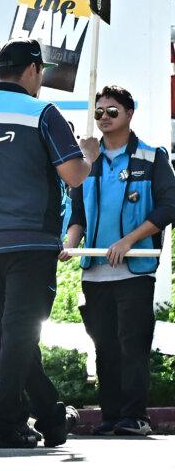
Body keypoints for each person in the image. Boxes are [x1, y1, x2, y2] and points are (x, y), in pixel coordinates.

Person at [0, 38, 98, 449]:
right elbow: (73, 175)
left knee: (14, 332)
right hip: (31, 238)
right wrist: (86, 154)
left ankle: (51, 416)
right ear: (34, 70)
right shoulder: (43, 112)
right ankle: (0, 421)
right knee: (20, 332)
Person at [61, 85, 175, 436]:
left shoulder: (150, 157)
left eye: (112, 111)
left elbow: (168, 206)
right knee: (104, 347)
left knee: (133, 345)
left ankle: (135, 416)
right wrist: (69, 244)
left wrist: (128, 241)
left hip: (135, 269)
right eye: (99, 113)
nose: (105, 118)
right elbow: (76, 214)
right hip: (94, 271)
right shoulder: (87, 162)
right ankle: (110, 416)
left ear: (129, 113)